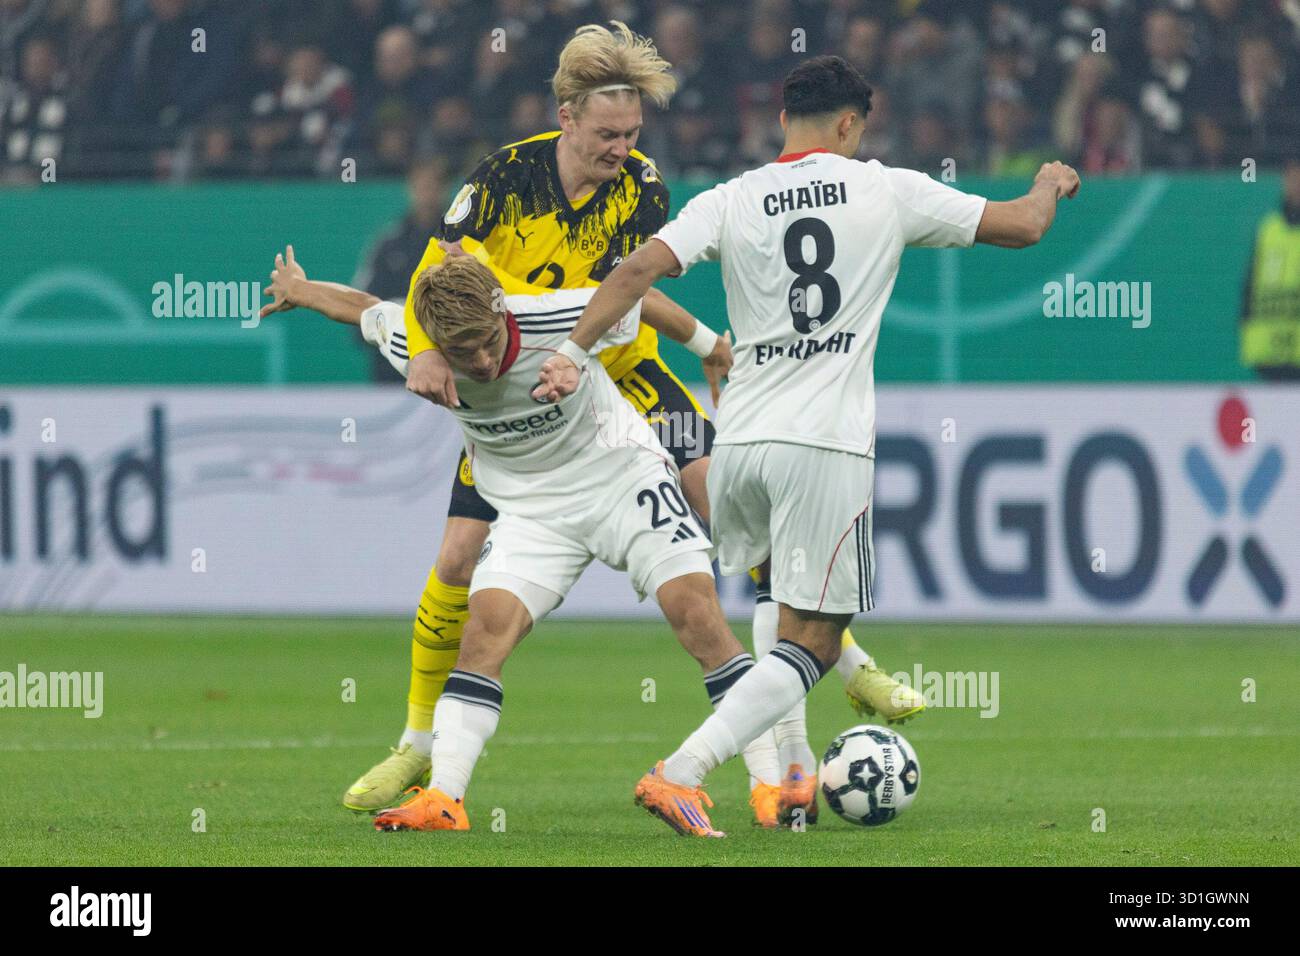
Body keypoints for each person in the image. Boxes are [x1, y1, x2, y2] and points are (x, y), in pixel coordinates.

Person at [347, 22, 924, 825]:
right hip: (518, 379)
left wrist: (706, 341)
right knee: (455, 558)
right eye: (609, 135)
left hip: (616, 368)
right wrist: (428, 349)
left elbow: (630, 285)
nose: (623, 149)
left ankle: (839, 663)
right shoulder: (505, 178)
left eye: (633, 134)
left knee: (727, 505)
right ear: (567, 118)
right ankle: (418, 743)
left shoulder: (643, 187)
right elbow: (435, 270)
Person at [536, 55, 1080, 835]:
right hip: (823, 444)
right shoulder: (884, 188)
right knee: (817, 639)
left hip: (739, 443)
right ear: (851, 123)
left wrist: (571, 352)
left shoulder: (731, 197)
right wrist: (1050, 182)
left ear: (784, 118)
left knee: (780, 602)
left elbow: (634, 272)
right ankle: (679, 773)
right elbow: (1023, 227)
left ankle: (792, 781)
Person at [259, 245, 784, 830]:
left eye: (489, 340)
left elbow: (642, 297)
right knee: (483, 634)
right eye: (464, 352)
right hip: (532, 512)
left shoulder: (556, 316)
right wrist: (301, 291)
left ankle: (768, 785)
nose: (482, 361)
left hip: (622, 478)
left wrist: (711, 347)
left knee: (697, 616)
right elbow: (363, 308)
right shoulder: (415, 346)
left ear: (502, 309)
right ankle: (444, 799)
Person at [1241, 154, 1300, 381]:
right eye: (1291, 176)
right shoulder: (1268, 228)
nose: (1295, 183)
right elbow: (1250, 286)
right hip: (1268, 354)